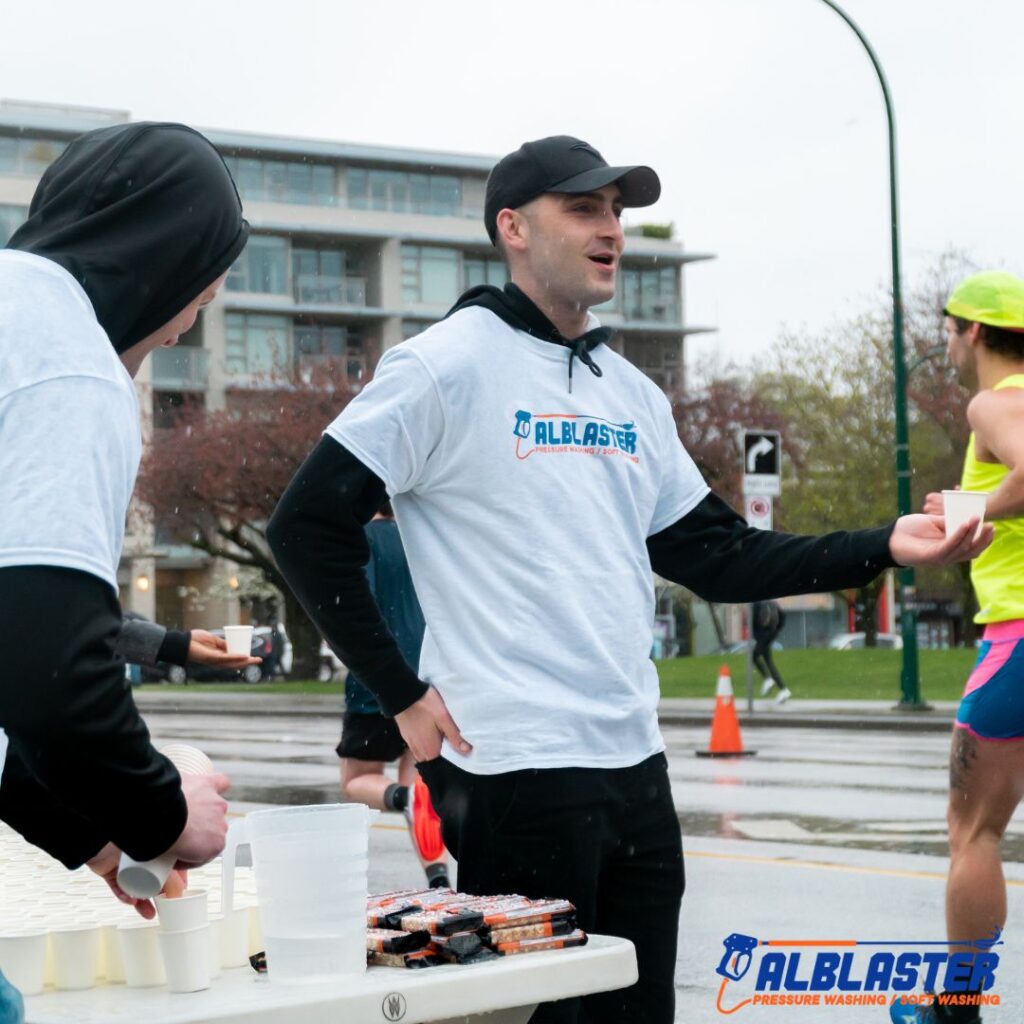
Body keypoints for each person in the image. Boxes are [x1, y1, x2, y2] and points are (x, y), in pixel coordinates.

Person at [267, 135, 990, 1024]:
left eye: (616, 211)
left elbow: (719, 554)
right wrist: (401, 692)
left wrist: (886, 542)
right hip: (513, 765)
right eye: (584, 209)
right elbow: (304, 525)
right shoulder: (444, 365)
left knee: (640, 1014)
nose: (610, 229)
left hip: (633, 765)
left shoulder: (629, 392)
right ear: (514, 229)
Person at [0, 122, 251, 923]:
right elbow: (50, 679)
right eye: (201, 296)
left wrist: (98, 840)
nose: (182, 327)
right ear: (165, 264)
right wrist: (164, 812)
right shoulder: (69, 359)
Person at [891, 272, 1024, 1024]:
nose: (946, 341)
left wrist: (970, 508)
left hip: (1020, 641)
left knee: (973, 830)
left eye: (948, 327)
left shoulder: (994, 402)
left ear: (973, 331)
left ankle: (957, 1007)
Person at [336, 499, 450, 889]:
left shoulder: (363, 539)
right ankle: (437, 877)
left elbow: (354, 601)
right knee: (420, 781)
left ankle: (401, 798)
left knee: (357, 779)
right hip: (426, 676)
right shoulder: (418, 538)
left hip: (378, 680)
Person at [753, 599, 791, 703]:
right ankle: (783, 689)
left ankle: (768, 679)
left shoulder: (756, 603)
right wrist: (775, 631)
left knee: (754, 656)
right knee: (768, 662)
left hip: (762, 636)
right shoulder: (771, 602)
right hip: (770, 634)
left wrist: (758, 636)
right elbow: (782, 615)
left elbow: (753, 623)